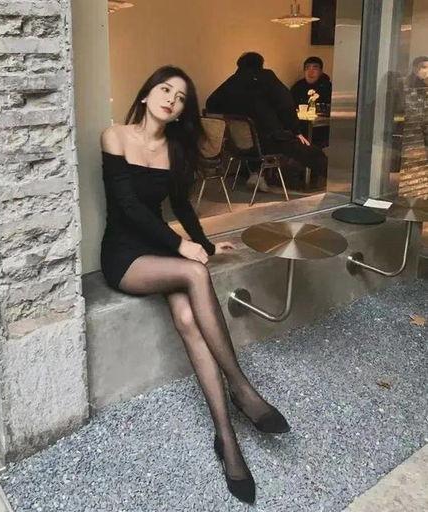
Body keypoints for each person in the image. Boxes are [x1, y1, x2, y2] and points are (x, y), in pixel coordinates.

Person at [100, 65, 290, 505]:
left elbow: (182, 205)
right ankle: (241, 387)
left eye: (181, 97)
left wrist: (204, 243)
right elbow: (128, 207)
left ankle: (227, 438)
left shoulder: (175, 150)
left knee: (188, 320)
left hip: (161, 249)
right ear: (146, 95)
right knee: (194, 272)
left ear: (182, 110)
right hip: (124, 255)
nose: (171, 98)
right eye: (165, 89)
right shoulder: (115, 136)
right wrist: (181, 247)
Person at [206, 52, 327, 189]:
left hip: (238, 145)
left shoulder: (232, 81)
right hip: (269, 141)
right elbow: (286, 104)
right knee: (311, 152)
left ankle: (257, 174)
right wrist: (296, 131)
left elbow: (210, 103)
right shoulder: (267, 77)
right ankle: (338, 182)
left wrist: (231, 113)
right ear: (261, 64)